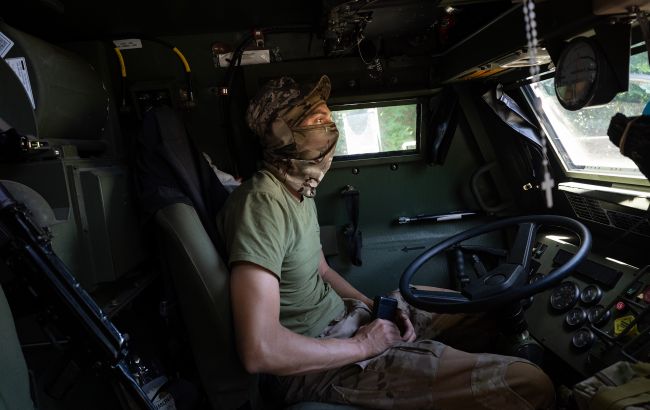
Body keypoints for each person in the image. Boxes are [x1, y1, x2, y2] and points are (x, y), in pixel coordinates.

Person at [216, 75, 555, 410]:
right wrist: (365, 345)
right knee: (528, 384)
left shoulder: (299, 191)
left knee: (485, 307)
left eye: (329, 120)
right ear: (284, 136)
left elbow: (322, 270)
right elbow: (260, 350)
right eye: (317, 122)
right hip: (318, 361)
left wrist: (376, 309)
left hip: (348, 320)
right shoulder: (261, 204)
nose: (330, 130)